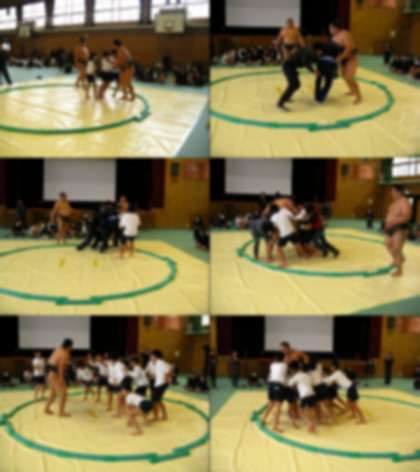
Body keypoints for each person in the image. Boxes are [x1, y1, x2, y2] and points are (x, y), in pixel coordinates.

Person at [329, 20, 362, 104]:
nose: (330, 30)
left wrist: (340, 57)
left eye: (331, 28)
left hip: (350, 59)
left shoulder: (344, 34)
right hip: (343, 59)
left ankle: (359, 96)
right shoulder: (334, 37)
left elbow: (349, 47)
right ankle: (352, 91)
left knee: (349, 77)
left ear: (336, 28)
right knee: (344, 76)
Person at [384, 185, 412, 277]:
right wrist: (388, 224)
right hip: (390, 228)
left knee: (396, 249)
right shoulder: (394, 202)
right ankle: (399, 259)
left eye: (393, 191)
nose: (391, 193)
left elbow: (406, 217)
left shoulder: (404, 202)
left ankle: (399, 271)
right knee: (387, 244)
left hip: (400, 228)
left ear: (399, 192)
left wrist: (393, 221)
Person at [44, 338, 73, 417]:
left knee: (53, 393)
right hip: (55, 373)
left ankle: (46, 409)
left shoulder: (58, 349)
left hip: (49, 372)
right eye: (71, 347)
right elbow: (61, 366)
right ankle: (61, 412)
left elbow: (52, 361)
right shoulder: (65, 353)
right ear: (69, 346)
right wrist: (61, 378)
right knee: (64, 394)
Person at [288, 362, 317, 433]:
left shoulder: (297, 376)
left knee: (301, 412)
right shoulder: (306, 375)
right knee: (311, 410)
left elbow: (289, 384)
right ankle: (313, 424)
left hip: (304, 395)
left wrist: (294, 384)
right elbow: (312, 383)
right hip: (311, 393)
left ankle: (310, 424)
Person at [147, 350, 172, 421]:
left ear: (156, 356)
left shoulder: (161, 363)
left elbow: (169, 372)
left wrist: (166, 380)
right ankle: (164, 415)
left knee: (155, 401)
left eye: (151, 356)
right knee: (157, 400)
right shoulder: (154, 363)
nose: (150, 357)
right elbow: (156, 373)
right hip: (156, 383)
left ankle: (156, 416)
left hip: (161, 384)